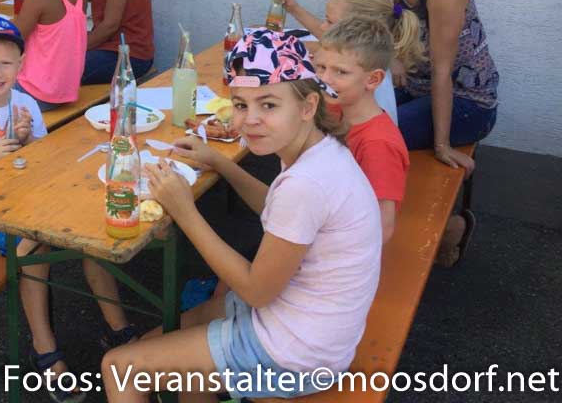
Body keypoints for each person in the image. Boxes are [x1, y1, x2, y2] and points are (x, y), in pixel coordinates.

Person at [102, 29, 382, 401]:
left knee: (119, 368)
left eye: (268, 105)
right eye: (240, 104)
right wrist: (221, 163)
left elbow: (255, 290)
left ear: (307, 106)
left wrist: (185, 211)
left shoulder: (306, 184)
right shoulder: (320, 150)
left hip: (296, 353)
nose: (250, 120)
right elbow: (277, 209)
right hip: (317, 329)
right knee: (179, 334)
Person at [0, 16, 136, 399]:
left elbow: (42, 159)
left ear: (21, 64)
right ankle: (44, 348)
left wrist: (28, 141)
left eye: (6, 63)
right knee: (35, 246)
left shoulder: (25, 103)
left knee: (91, 225)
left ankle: (119, 329)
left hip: (28, 198)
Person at [371, 0, 498, 264]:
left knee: (377, 140)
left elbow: (443, 71)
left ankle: (447, 229)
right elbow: (386, 24)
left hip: (467, 103)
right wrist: (392, 56)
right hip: (417, 88)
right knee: (350, 117)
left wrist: (442, 144)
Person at [275, 0, 425, 124]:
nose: (322, 26)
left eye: (330, 22)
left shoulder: (364, 78)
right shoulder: (364, 55)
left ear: (358, 31)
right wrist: (294, 9)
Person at [315, 17, 410, 243]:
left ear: (373, 79)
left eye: (340, 72)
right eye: (321, 67)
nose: (325, 79)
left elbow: (382, 228)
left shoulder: (378, 145)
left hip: (340, 249)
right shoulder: (335, 107)